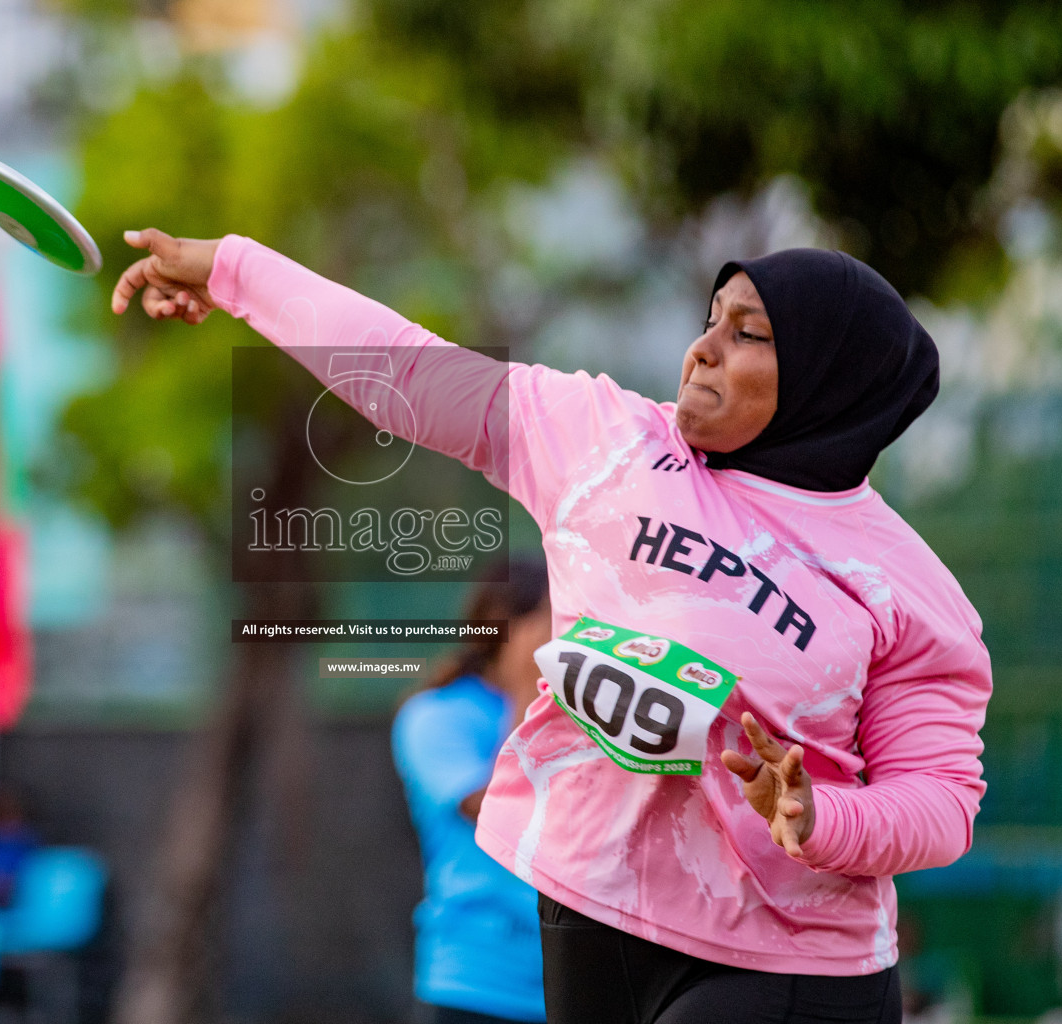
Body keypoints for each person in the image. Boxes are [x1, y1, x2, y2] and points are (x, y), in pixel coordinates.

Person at [110, 228, 994, 1024]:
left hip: (789, 958)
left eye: (747, 333)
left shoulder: (908, 589)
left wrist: (818, 813)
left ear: (830, 378)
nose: (702, 351)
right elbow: (406, 372)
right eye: (710, 320)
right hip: (589, 910)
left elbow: (944, 803)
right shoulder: (602, 438)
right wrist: (234, 270)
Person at [392, 558, 552, 1024]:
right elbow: (498, 814)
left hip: (569, 984)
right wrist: (529, 687)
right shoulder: (435, 715)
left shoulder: (578, 722)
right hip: (477, 983)